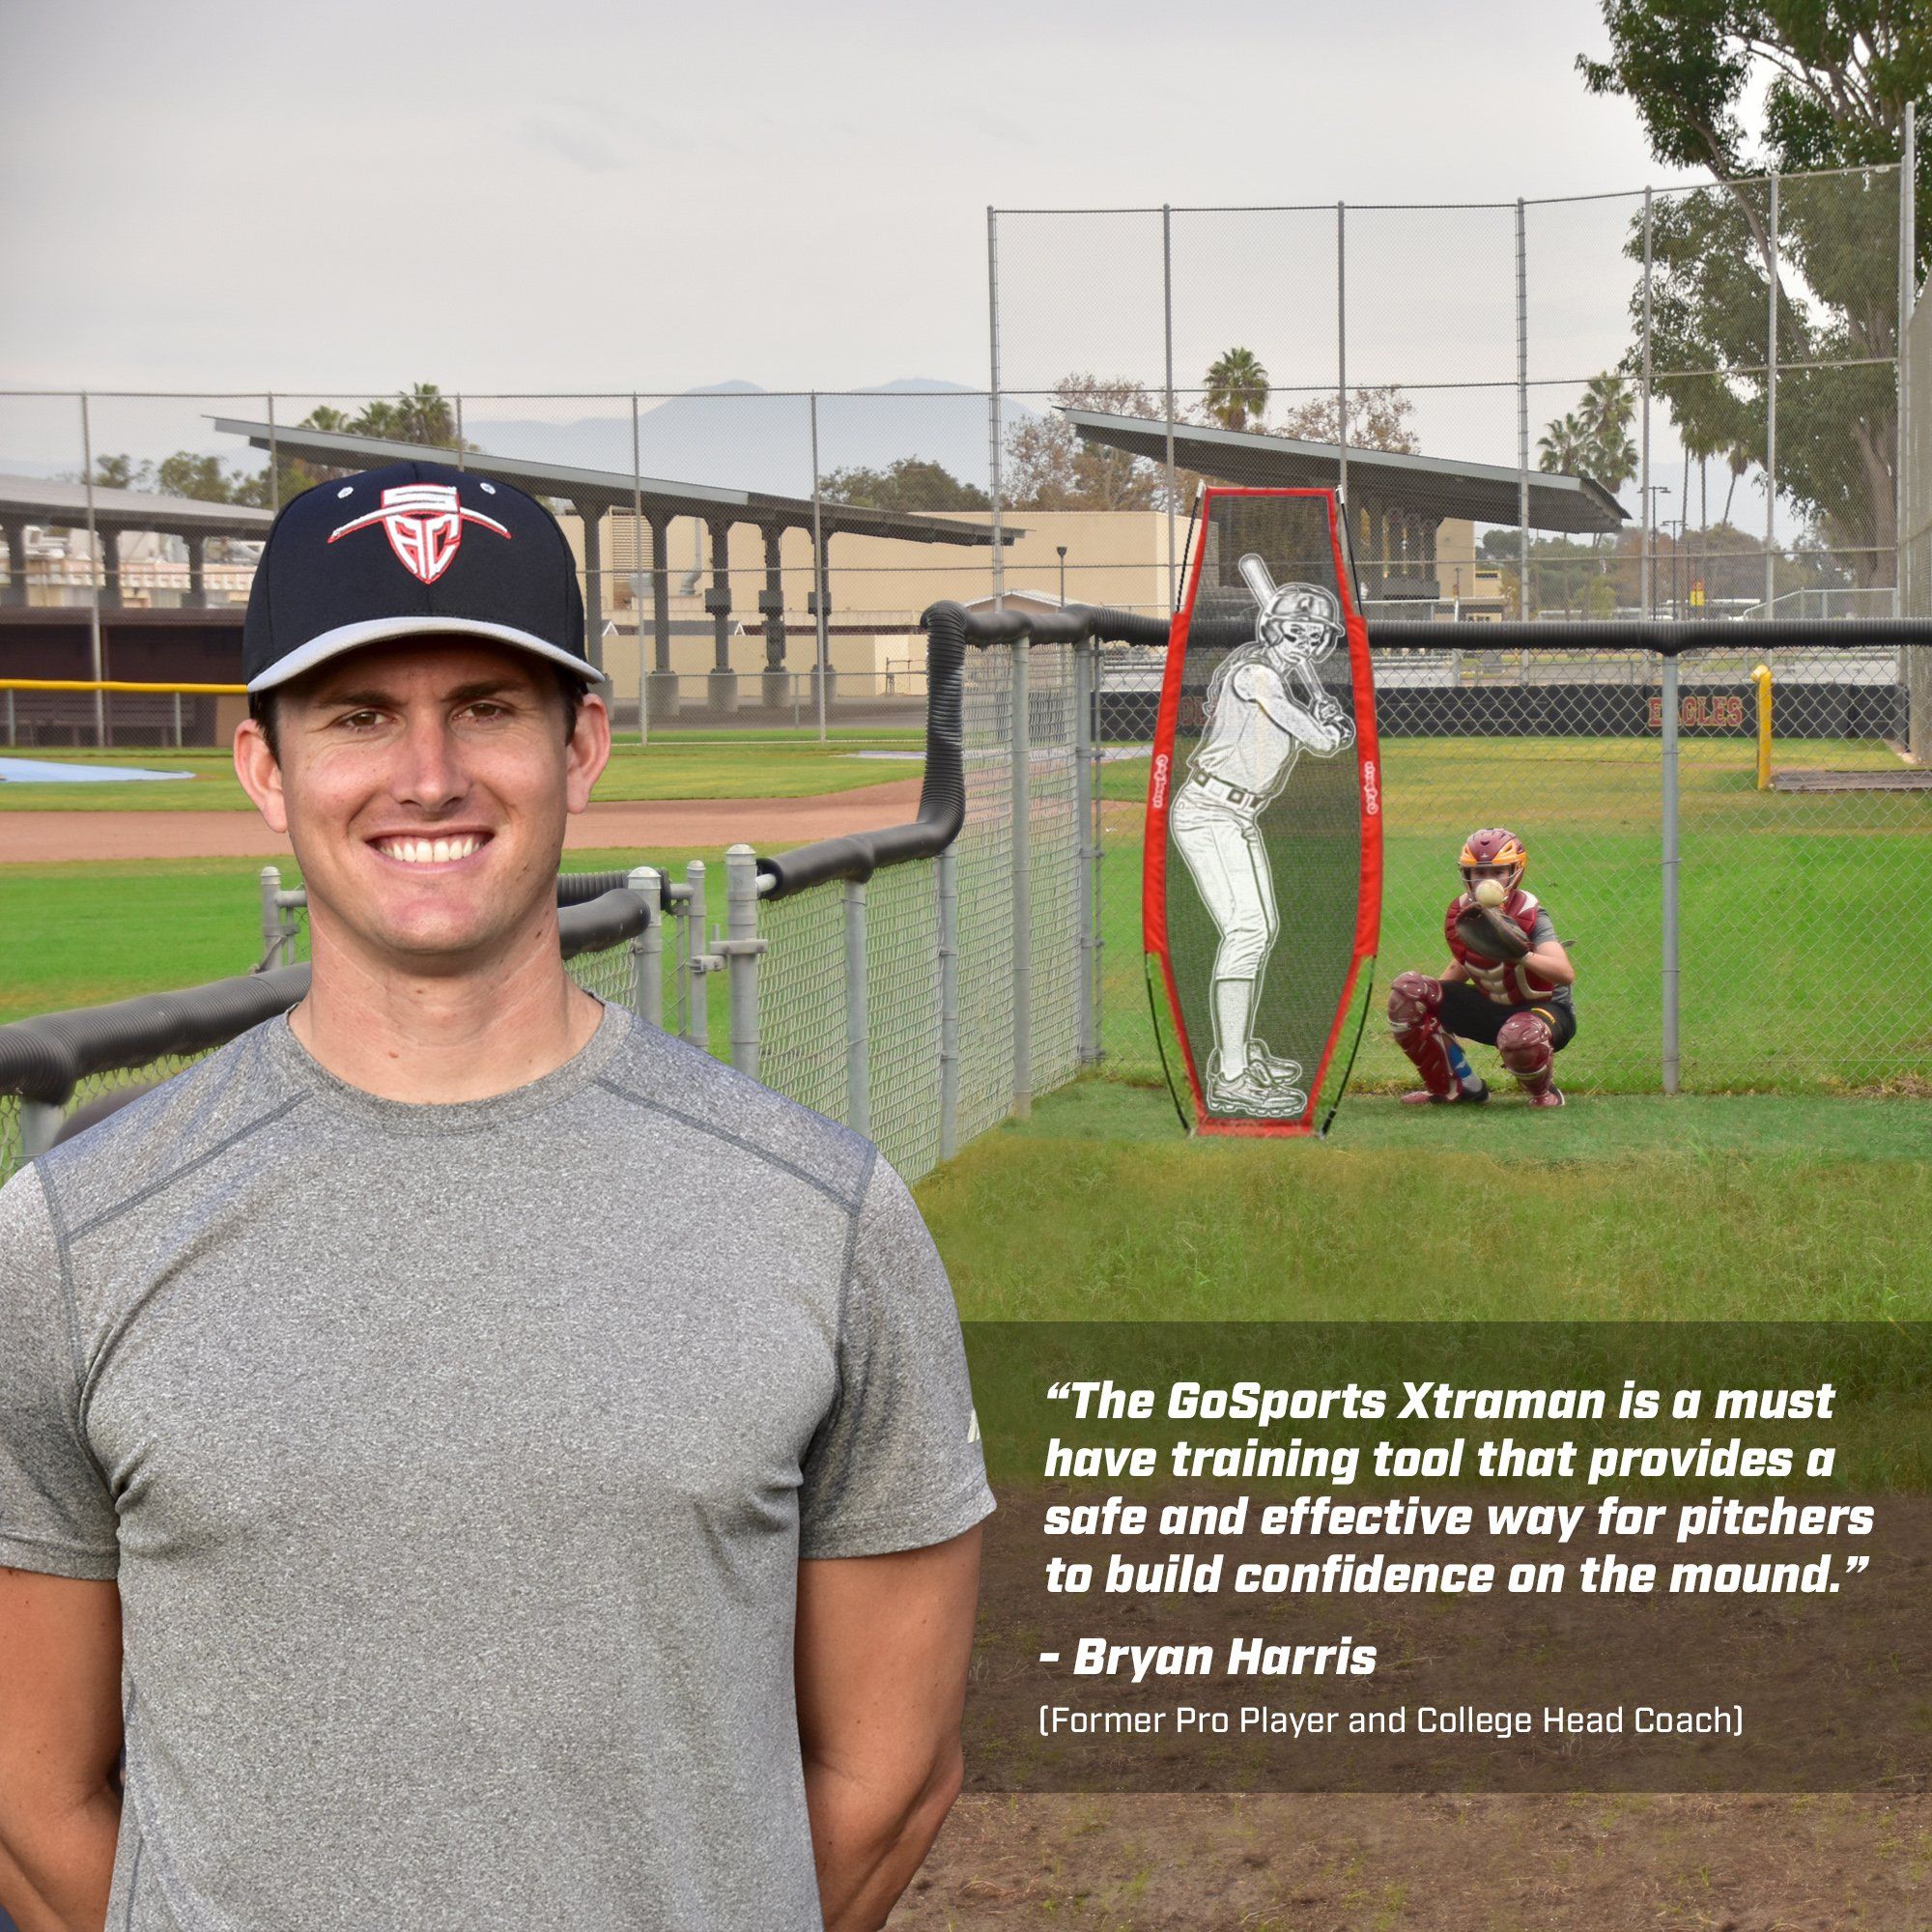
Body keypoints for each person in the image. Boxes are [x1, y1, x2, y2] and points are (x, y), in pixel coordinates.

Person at [0, 461, 993, 1932]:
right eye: (356, 715)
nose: (429, 775)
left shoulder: (821, 1216)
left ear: (581, 743)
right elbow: (32, 1804)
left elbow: (889, 1779)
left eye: (487, 707)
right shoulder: (74, 1239)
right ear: (265, 763)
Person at [1168, 556, 1355, 1119]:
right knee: (1248, 931)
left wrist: (1325, 718)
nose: (1303, 640)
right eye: (1293, 630)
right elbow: (1315, 739)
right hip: (1209, 810)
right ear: (1274, 628)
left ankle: (1240, 1051)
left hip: (1236, 816)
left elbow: (1312, 731)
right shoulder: (1255, 674)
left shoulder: (1274, 675)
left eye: (1314, 634)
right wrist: (1329, 726)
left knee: (1258, 928)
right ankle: (1230, 1077)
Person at [1386, 825, 1577, 1109]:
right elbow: (1464, 964)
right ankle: (1455, 1086)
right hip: (1492, 1010)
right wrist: (1429, 1007)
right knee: (1410, 992)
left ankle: (1543, 1092)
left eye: (1497, 871)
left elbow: (1565, 973)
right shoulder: (1463, 912)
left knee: (1520, 1034)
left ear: (1515, 870)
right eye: (1479, 872)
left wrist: (1521, 956)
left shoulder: (1530, 913)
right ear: (1467, 874)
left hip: (1544, 1012)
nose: (1487, 880)